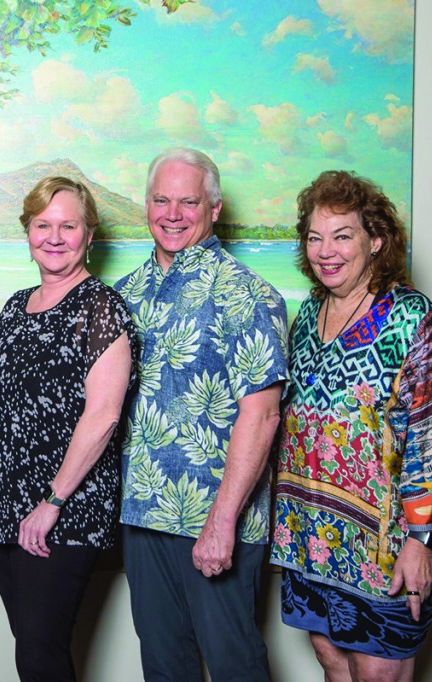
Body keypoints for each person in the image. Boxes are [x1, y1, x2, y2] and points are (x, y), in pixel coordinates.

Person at [270, 170, 432, 681]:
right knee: (331, 659)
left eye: (342, 235)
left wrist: (420, 543)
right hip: (314, 535)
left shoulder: (412, 319)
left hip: (389, 539)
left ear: (375, 241)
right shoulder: (308, 315)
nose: (326, 250)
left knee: (377, 672)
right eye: (315, 237)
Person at [114, 148, 288, 681]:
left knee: (234, 664)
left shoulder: (249, 295)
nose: (172, 212)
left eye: (188, 201)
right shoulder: (125, 295)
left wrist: (223, 521)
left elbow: (261, 417)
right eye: (161, 199)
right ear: (146, 205)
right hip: (142, 515)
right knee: (165, 667)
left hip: (216, 521)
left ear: (213, 208)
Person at [0, 176, 135, 681]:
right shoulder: (17, 305)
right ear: (28, 233)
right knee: (32, 648)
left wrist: (53, 502)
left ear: (90, 236)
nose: (55, 236)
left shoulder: (101, 307)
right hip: (1, 509)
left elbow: (104, 414)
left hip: (61, 512)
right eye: (43, 225)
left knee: (41, 651)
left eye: (69, 225)